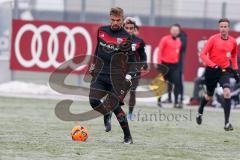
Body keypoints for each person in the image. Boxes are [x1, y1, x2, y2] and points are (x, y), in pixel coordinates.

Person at [89, 7, 133, 144]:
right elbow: (97, 49)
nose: (115, 22)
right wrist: (93, 64)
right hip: (100, 73)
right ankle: (105, 113)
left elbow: (130, 60)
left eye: (118, 20)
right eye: (113, 20)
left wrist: (128, 77)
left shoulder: (127, 37)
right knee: (93, 101)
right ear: (110, 18)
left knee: (115, 106)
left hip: (116, 77)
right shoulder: (101, 31)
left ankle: (127, 137)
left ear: (122, 19)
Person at [196, 18, 240, 131]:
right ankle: (200, 110)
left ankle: (226, 123)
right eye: (221, 27)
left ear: (228, 28)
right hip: (211, 71)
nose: (223, 29)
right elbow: (202, 54)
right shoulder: (213, 39)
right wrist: (213, 65)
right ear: (219, 27)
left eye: (225, 27)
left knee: (227, 92)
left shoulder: (233, 41)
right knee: (209, 96)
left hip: (224, 71)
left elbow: (234, 56)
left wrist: (235, 70)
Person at [123, 17, 147, 120]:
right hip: (121, 70)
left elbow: (143, 56)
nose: (129, 30)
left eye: (131, 28)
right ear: (123, 27)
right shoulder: (117, 39)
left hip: (134, 71)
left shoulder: (139, 41)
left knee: (132, 91)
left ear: (134, 29)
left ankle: (130, 113)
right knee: (119, 92)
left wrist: (143, 64)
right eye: (127, 28)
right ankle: (112, 111)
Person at [157, 24, 183, 108]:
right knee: (162, 83)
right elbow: (160, 51)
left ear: (179, 32)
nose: (175, 32)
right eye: (173, 30)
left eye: (176, 30)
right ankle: (159, 100)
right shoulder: (165, 39)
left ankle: (175, 102)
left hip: (174, 65)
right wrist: (159, 63)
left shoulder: (179, 41)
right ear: (170, 30)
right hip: (165, 65)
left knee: (177, 82)